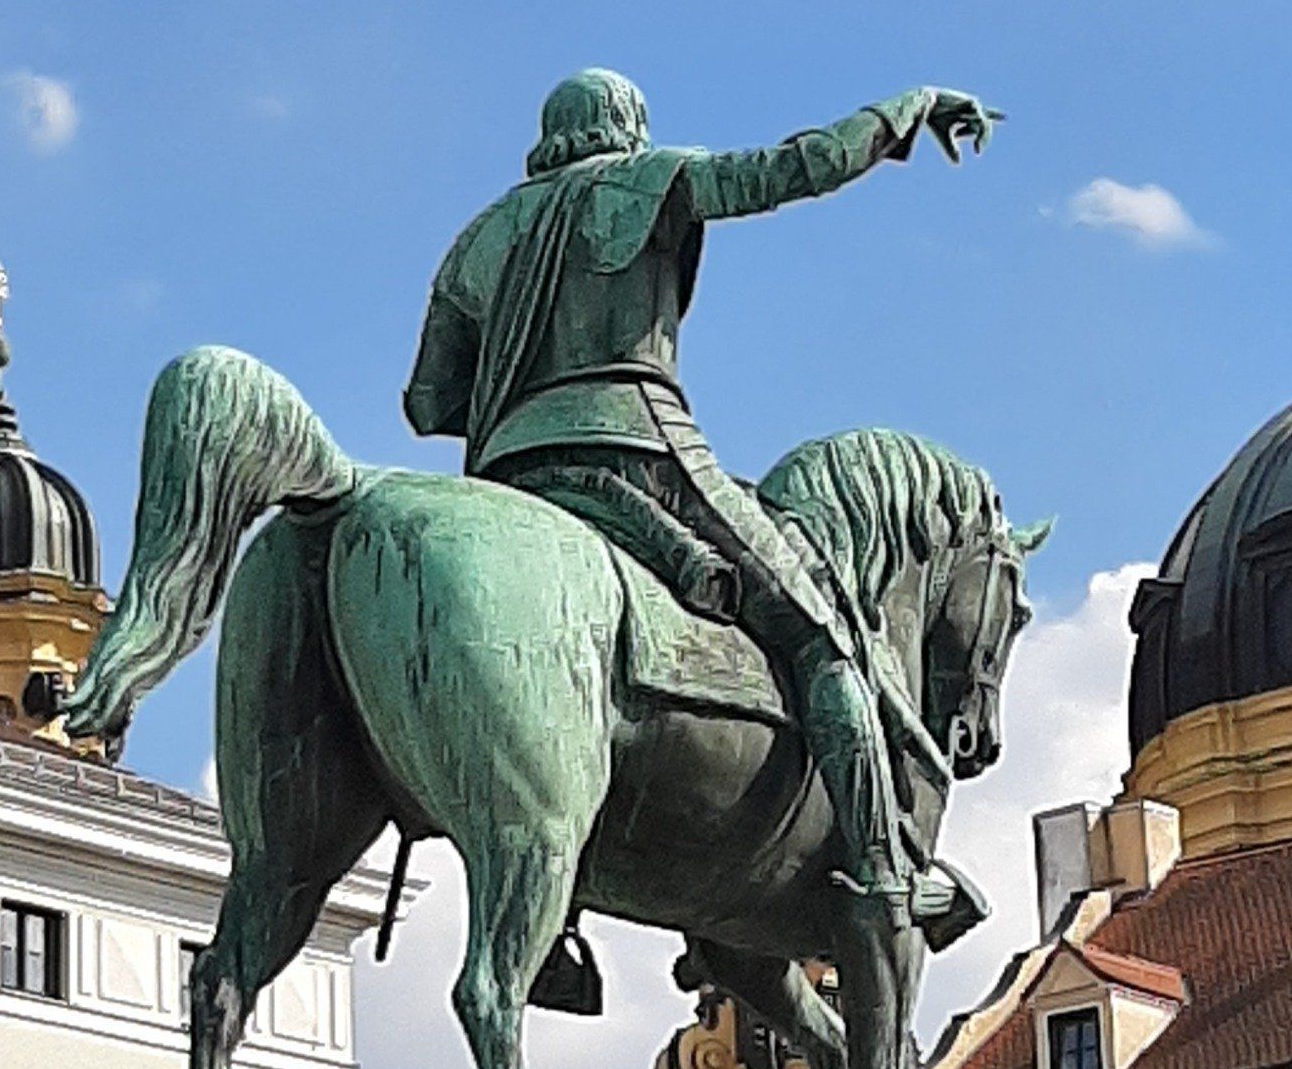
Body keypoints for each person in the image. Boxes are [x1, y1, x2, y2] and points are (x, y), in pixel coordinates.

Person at [405, 68, 997, 935]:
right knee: (825, 629)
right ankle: (884, 870)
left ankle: (556, 921)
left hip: (512, 476)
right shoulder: (651, 180)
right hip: (642, 449)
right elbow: (798, 167)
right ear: (628, 127)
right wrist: (903, 112)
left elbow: (427, 404)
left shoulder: (475, 243)